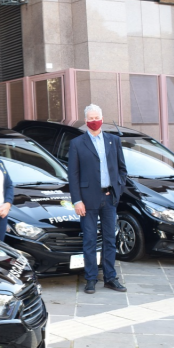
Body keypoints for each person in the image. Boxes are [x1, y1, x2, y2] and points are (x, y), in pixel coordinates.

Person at [68, 105, 128, 295]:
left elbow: (122, 169)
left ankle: (110, 278)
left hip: (109, 199)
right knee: (90, 240)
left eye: (97, 117)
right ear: (86, 121)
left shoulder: (113, 141)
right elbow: (73, 175)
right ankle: (91, 279)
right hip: (87, 200)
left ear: (102, 118)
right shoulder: (77, 143)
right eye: (90, 118)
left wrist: (118, 189)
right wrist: (77, 200)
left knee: (110, 239)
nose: (94, 121)